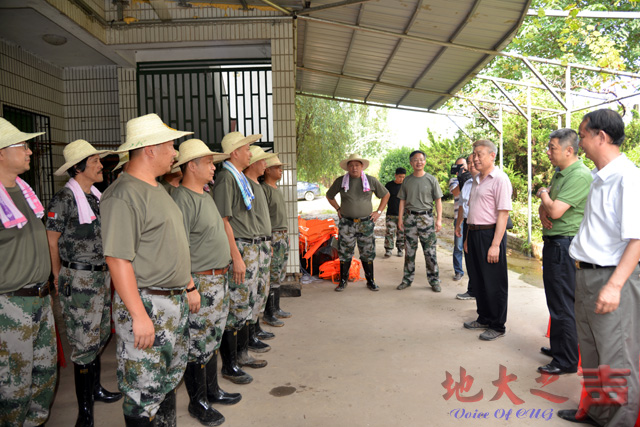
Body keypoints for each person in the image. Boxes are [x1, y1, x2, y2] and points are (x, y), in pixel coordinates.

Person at [101, 113, 199, 426]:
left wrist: (188, 284)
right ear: (150, 149)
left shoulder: (158, 190)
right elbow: (118, 259)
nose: (175, 152)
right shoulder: (123, 194)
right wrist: (139, 315)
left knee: (164, 381)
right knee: (141, 392)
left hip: (171, 302)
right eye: (171, 145)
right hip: (147, 304)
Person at [559, 109, 640, 426]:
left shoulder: (628, 178)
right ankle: (597, 412)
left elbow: (637, 239)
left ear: (601, 137)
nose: (578, 142)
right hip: (587, 275)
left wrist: (615, 285)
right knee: (593, 356)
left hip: (610, 277)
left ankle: (619, 420)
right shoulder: (598, 178)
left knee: (616, 360)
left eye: (581, 135)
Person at [46, 139, 122, 426]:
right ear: (78, 168)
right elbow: (51, 240)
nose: (101, 166)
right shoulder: (64, 199)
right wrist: (57, 276)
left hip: (100, 276)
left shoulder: (94, 196)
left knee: (99, 335)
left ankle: (96, 388)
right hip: (78, 278)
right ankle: (85, 410)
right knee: (83, 343)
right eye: (95, 162)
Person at [171, 139, 240, 426]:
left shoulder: (204, 194)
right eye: (209, 162)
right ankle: (197, 402)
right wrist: (189, 287)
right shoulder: (182, 200)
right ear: (191, 165)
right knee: (197, 343)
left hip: (217, 279)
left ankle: (212, 390)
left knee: (211, 340)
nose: (214, 167)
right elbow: (178, 248)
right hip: (201, 281)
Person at [0, 118, 57, 427]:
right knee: (12, 388)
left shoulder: (23, 190)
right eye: (21, 146)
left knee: (44, 378)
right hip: (9, 305)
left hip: (39, 300)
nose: (30, 152)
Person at [535, 129, 591, 376]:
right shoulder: (561, 173)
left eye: (552, 148)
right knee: (556, 301)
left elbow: (555, 211)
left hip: (564, 245)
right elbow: (546, 209)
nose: (548, 153)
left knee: (563, 304)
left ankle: (566, 360)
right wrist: (543, 206)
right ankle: (560, 348)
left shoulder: (579, 175)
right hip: (555, 243)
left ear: (570, 150)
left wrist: (543, 194)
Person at [212, 131, 261, 385]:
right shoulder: (225, 178)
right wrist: (236, 256)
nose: (250, 153)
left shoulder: (237, 177)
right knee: (235, 308)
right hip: (238, 248)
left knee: (245, 303)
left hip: (247, 248)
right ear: (235, 153)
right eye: (247, 149)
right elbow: (223, 221)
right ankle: (230, 365)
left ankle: (241, 355)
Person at [462, 140, 512, 341]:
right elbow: (470, 211)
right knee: (479, 279)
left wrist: (495, 245)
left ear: (492, 155)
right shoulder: (476, 180)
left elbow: (503, 214)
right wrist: (467, 237)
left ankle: (497, 325)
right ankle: (483, 317)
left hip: (490, 235)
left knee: (494, 281)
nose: (475, 158)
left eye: (480, 154)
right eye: (474, 154)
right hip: (473, 233)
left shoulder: (499, 179)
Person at [326, 153, 390, 292]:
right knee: (344, 252)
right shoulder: (341, 181)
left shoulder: (371, 180)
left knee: (367, 252)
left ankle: (370, 281)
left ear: (362, 166)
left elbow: (386, 194)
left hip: (365, 223)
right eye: (351, 165)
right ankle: (343, 281)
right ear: (347, 167)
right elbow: (329, 195)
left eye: (357, 165)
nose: (354, 168)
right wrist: (338, 208)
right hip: (347, 223)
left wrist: (378, 212)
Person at [241, 145, 275, 362]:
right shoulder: (245, 185)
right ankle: (249, 335)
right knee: (250, 292)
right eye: (263, 161)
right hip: (252, 245)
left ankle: (255, 328)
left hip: (262, 244)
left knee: (261, 289)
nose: (266, 165)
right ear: (253, 163)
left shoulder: (258, 186)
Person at [396, 150, 443, 292]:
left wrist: (439, 219)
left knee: (430, 251)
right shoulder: (407, 181)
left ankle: (434, 280)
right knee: (409, 251)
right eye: (415, 160)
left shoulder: (431, 180)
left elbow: (438, 200)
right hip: (410, 219)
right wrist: (400, 218)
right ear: (411, 163)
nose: (419, 162)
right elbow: (402, 201)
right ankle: (407, 279)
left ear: (425, 161)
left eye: (421, 159)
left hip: (426, 218)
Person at [262, 155, 292, 323]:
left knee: (279, 272)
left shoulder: (276, 188)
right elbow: (264, 217)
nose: (281, 170)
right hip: (273, 235)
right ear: (267, 170)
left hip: (282, 235)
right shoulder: (264, 189)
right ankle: (268, 313)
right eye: (277, 167)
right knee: (272, 273)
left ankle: (276, 307)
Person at [455, 153, 478, 301]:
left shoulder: (494, 180)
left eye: (472, 163)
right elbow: (463, 206)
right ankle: (473, 290)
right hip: (469, 225)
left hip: (485, 228)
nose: (470, 166)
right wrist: (458, 224)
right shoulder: (468, 183)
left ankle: (482, 292)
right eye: (468, 163)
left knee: (482, 262)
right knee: (469, 258)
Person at [449, 157, 467, 281]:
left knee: (471, 246)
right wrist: (462, 179)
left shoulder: (475, 178)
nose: (461, 168)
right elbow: (455, 193)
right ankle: (458, 271)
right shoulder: (454, 180)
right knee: (458, 246)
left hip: (473, 218)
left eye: (463, 165)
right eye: (458, 166)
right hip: (458, 217)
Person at [384, 167, 406, 258]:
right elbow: (384, 198)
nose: (401, 179)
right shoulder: (389, 185)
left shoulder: (405, 186)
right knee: (389, 232)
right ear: (395, 175)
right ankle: (388, 250)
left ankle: (400, 249)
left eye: (403, 177)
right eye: (400, 176)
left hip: (403, 215)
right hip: (391, 214)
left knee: (401, 233)